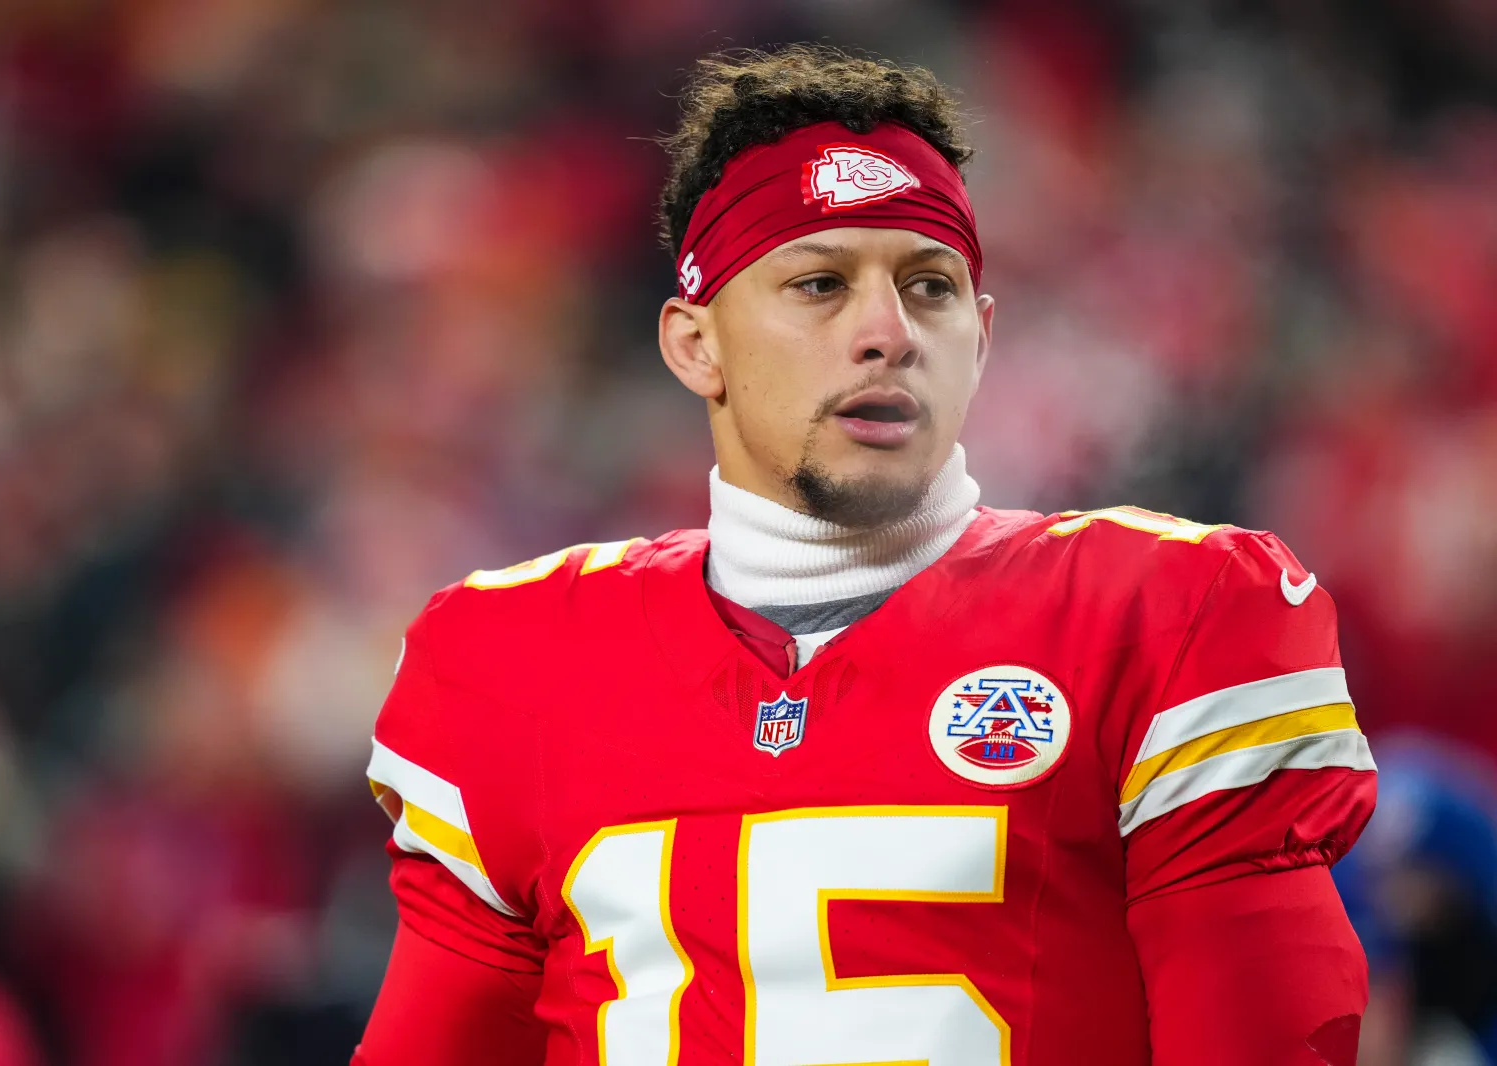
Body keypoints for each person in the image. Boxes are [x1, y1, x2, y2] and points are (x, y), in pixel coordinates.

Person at [353, 44, 1377, 1066]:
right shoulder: (509, 659)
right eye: (819, 284)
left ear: (978, 337)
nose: (886, 331)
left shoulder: (1169, 614)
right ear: (694, 344)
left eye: (928, 286)